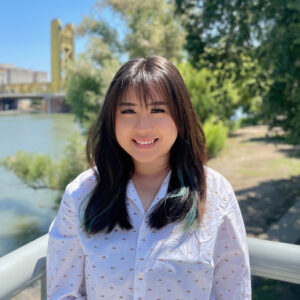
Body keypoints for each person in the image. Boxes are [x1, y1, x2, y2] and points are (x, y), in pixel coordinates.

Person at [46, 55, 251, 300]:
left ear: (180, 116)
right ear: (112, 119)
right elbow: (63, 293)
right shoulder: (81, 194)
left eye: (157, 109)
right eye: (128, 110)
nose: (143, 127)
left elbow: (233, 292)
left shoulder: (216, 192)